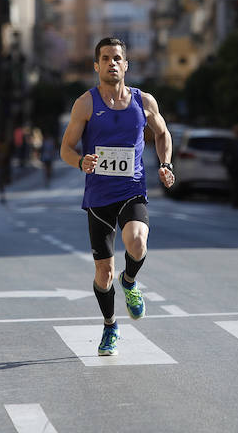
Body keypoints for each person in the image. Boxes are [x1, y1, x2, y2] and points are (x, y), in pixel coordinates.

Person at [60, 37, 174, 357]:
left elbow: (163, 133)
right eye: (106, 58)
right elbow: (66, 148)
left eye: (117, 58)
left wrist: (165, 164)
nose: (112, 63)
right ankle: (110, 325)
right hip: (98, 197)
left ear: (126, 65)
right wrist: (80, 161)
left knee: (137, 241)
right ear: (96, 66)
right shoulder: (85, 103)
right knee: (102, 273)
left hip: (132, 188)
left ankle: (131, 280)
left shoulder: (144, 101)